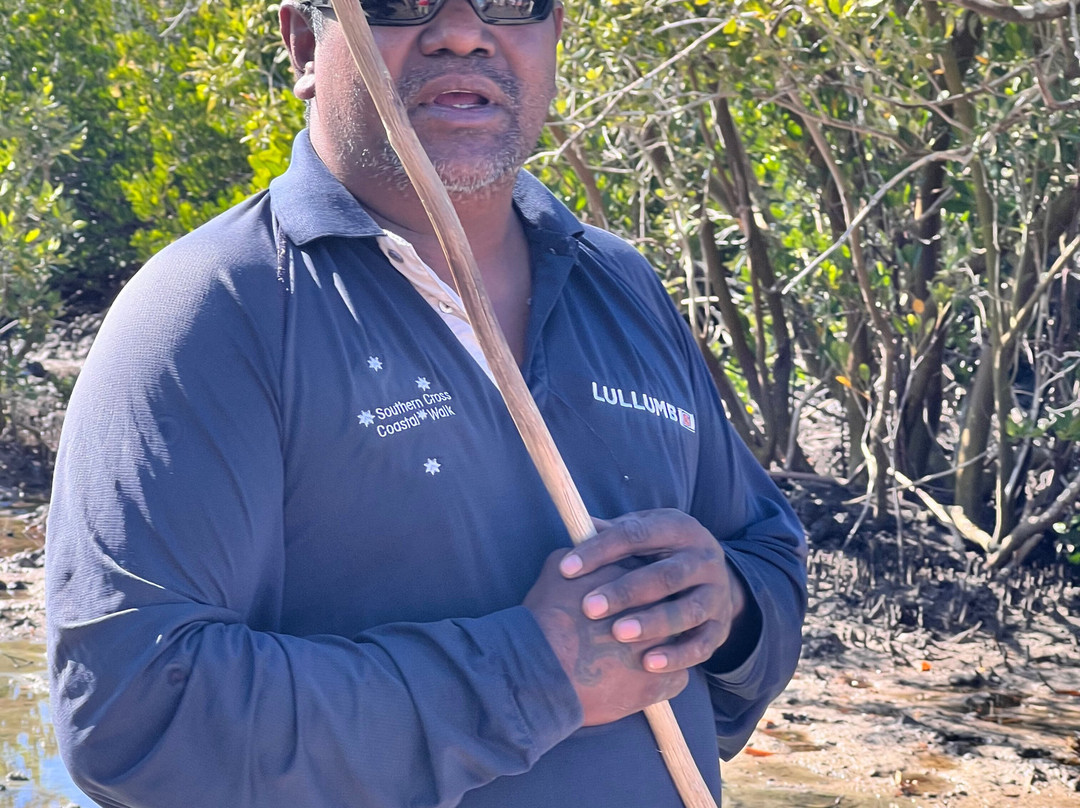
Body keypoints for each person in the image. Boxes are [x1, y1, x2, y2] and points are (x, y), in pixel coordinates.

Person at [45, 0, 807, 805]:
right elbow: (135, 721)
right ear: (306, 44)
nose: (461, 31)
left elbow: (767, 554)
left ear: (555, 37)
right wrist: (530, 674)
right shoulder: (215, 310)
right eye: (401, 2)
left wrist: (724, 604)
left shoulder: (620, 283)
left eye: (511, 2)